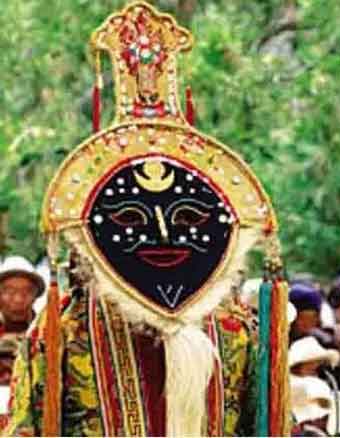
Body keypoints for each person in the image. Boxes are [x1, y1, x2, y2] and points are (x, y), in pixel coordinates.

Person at [4, 3, 290, 436]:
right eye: (129, 219)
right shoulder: (64, 330)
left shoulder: (237, 332)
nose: (160, 234)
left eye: (187, 218)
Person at [0, 256, 45, 428]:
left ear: (35, 296)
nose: (18, 299)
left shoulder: (46, 330)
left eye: (26, 292)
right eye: (9, 292)